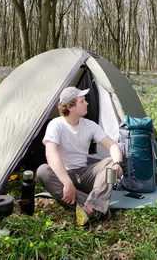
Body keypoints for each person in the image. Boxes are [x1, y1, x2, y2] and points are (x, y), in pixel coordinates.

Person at [36, 86, 123, 226]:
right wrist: (66, 181)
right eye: (82, 101)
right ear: (70, 106)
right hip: (64, 175)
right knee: (42, 171)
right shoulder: (56, 125)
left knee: (109, 163)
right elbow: (50, 153)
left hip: (84, 174)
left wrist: (117, 163)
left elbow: (113, 146)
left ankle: (91, 206)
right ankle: (95, 205)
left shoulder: (90, 125)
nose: (87, 103)